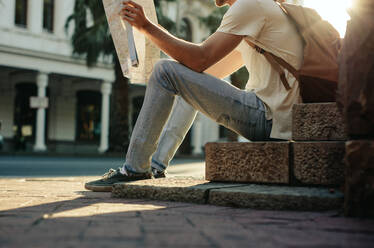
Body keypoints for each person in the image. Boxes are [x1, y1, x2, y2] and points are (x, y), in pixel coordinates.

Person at [85, 0, 303, 191]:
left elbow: (200, 59)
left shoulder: (250, 5)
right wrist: (151, 30)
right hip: (278, 120)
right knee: (182, 79)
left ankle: (134, 170)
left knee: (164, 70)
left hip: (269, 118)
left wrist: (147, 27)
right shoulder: (260, 9)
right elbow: (200, 72)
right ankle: (155, 167)